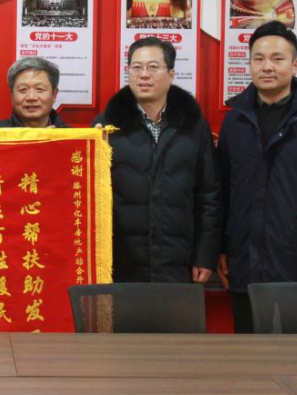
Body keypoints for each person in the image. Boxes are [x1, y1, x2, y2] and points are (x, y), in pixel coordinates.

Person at [216, 21, 297, 333]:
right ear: (249, 63)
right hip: (244, 261)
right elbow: (222, 192)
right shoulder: (235, 122)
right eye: (259, 58)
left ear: (294, 64)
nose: (267, 67)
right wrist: (222, 248)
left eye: (277, 58)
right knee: (247, 353)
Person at [93, 37, 218, 283]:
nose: (144, 75)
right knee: (119, 311)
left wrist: (205, 255)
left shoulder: (194, 126)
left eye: (153, 67)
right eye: (136, 67)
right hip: (120, 263)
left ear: (171, 74)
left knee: (176, 311)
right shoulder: (106, 127)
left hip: (178, 261)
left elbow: (209, 194)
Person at [0, 56, 69, 128]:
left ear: (54, 94)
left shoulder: (71, 137)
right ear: (12, 94)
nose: (31, 97)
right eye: (23, 89)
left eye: (39, 89)